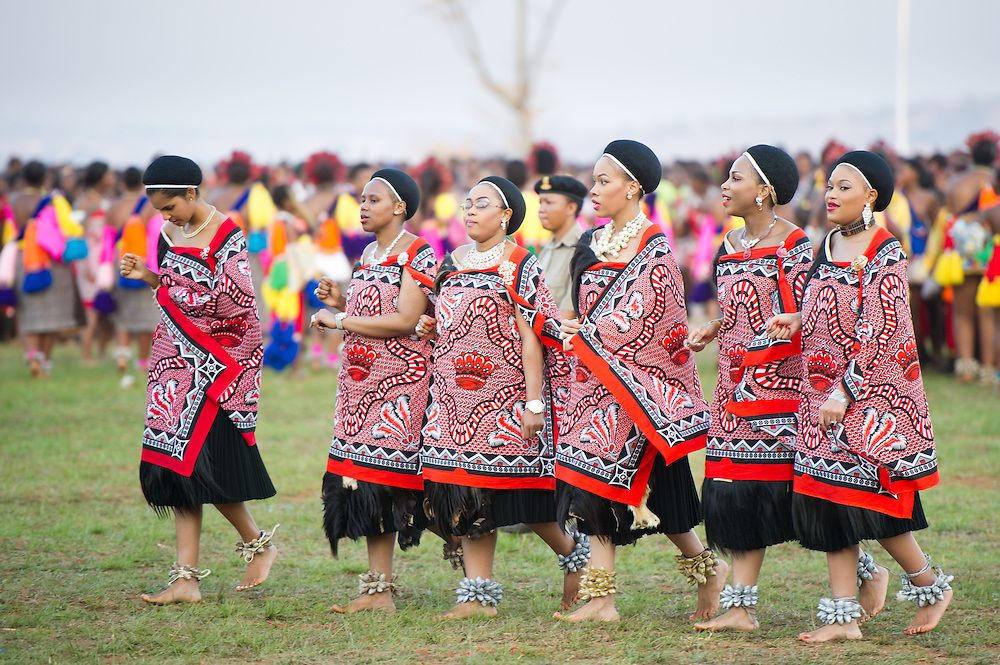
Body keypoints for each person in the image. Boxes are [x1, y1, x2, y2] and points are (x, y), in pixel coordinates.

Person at [767, 150, 952, 642]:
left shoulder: (885, 251)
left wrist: (845, 392)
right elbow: (823, 303)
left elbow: (880, 329)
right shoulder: (825, 245)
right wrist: (798, 320)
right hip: (820, 394)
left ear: (872, 195)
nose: (831, 194)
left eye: (844, 186)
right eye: (829, 185)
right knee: (832, 502)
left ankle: (930, 586)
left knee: (876, 504)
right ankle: (843, 618)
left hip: (870, 398)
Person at [554, 140, 720, 623]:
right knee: (596, 489)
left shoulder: (655, 248)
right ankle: (603, 600)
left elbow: (656, 320)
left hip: (641, 388)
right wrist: (565, 327)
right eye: (594, 179)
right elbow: (576, 305)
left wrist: (592, 335)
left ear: (633, 187)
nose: (594, 188)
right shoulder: (590, 241)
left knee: (659, 501)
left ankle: (706, 575)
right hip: (590, 386)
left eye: (603, 180)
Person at [415, 175, 585, 618]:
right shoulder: (450, 262)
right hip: (452, 399)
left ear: (506, 214)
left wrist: (534, 404)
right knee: (461, 493)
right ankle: (477, 596)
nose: (469, 211)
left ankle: (574, 557)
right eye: (467, 203)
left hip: (503, 400)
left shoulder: (520, 264)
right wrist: (429, 326)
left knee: (522, 499)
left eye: (481, 204)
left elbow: (533, 338)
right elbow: (441, 316)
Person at [120, 155, 277, 605]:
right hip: (175, 359)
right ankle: (186, 580)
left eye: (170, 206)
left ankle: (258, 546)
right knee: (175, 467)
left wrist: (170, 289)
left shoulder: (228, 235)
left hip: (220, 362)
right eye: (158, 210)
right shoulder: (169, 233)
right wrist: (149, 275)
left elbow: (235, 303)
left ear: (192, 192)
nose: (165, 217)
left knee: (202, 464)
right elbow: (171, 290)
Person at [309, 169, 451, 613]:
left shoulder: (418, 252)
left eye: (372, 199)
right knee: (367, 483)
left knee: (396, 484)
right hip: (360, 386)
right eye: (361, 199)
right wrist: (340, 303)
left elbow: (405, 319)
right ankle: (379, 591)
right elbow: (372, 310)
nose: (362, 207)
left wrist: (340, 321)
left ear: (399, 207)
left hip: (401, 387)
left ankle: (474, 571)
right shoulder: (370, 253)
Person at [685, 145, 813, 632]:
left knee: (789, 496)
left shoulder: (796, 245)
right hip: (732, 387)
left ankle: (867, 572)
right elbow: (739, 310)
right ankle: (741, 608)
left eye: (735, 178)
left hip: (781, 389)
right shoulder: (729, 245)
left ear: (765, 191)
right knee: (736, 492)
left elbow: (815, 313)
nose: (724, 186)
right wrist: (714, 327)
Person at [12, 161, 78, 377]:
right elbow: (68, 227)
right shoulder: (52, 200)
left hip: (23, 257)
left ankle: (32, 356)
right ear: (45, 178)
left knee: (29, 311)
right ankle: (45, 360)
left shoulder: (15, 201)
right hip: (49, 259)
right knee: (52, 314)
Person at [109, 166, 163, 388]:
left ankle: (122, 355)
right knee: (145, 318)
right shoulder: (149, 205)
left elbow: (108, 238)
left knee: (124, 313)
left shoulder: (114, 207)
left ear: (122, 183)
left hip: (120, 258)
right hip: (142, 262)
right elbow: (154, 235)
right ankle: (143, 362)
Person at [535, 175, 587, 319]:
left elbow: (567, 316)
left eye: (549, 202)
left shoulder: (581, 249)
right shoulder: (548, 247)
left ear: (571, 208)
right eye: (541, 202)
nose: (541, 209)